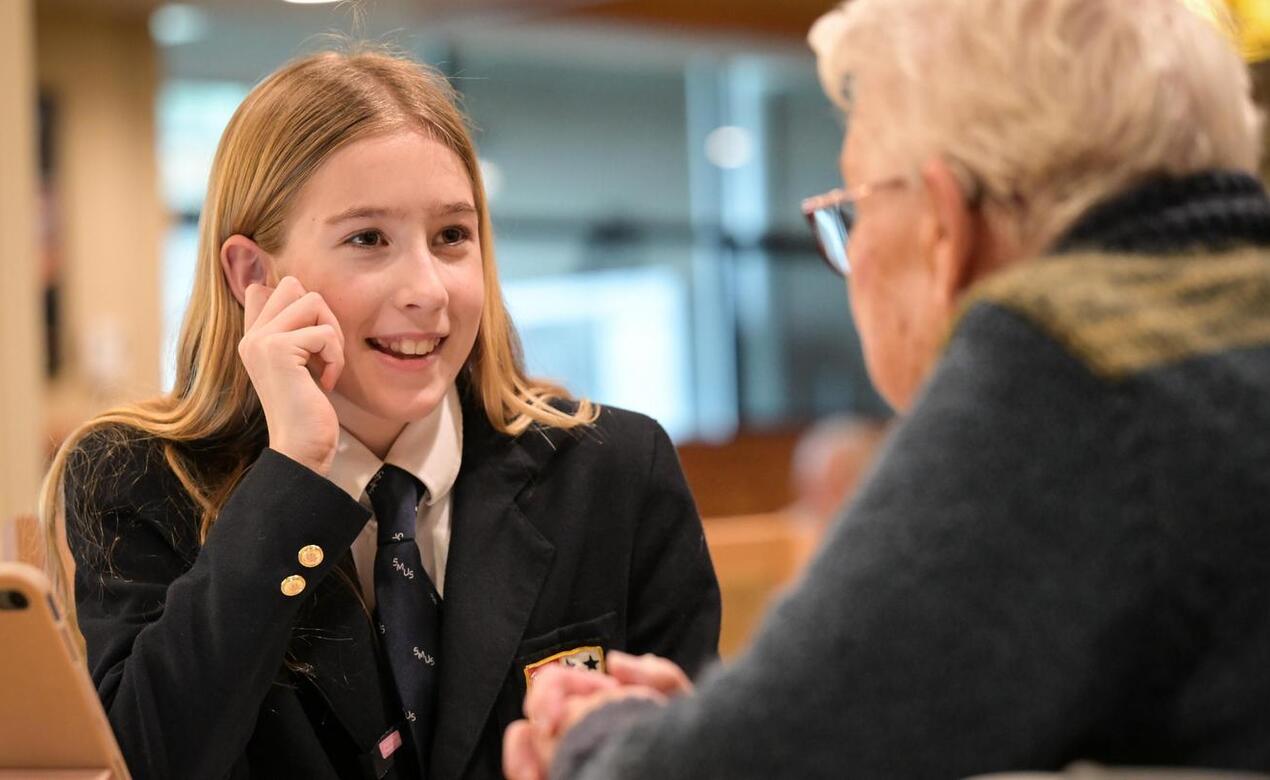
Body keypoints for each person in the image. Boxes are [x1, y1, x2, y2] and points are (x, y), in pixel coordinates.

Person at [502, 0, 1270, 777]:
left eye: (854, 209)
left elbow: (751, 765)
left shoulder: (1069, 363)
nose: (853, 257)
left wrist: (601, 739)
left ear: (943, 226)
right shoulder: (1221, 327)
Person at [36, 49, 720, 780]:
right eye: (368, 239)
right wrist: (295, 473)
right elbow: (149, 762)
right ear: (253, 274)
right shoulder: (136, 478)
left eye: (452, 237)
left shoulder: (616, 469)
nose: (427, 289)